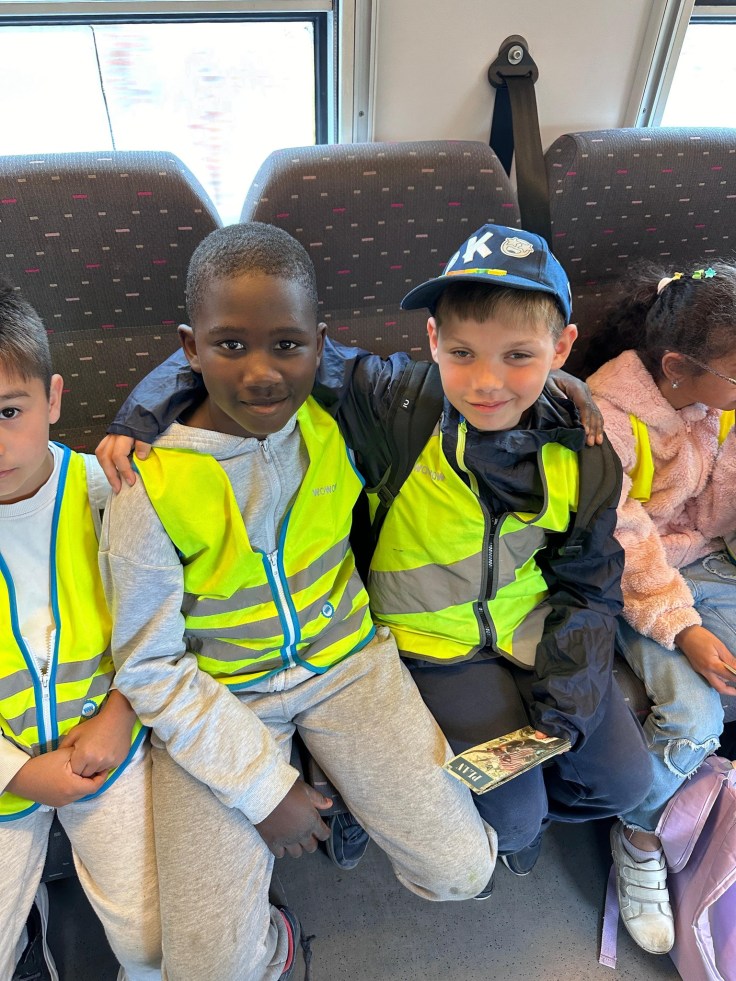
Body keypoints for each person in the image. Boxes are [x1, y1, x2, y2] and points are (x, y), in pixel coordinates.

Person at [97, 222, 652, 893]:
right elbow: (251, 344)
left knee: (625, 781)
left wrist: (567, 702)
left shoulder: (583, 449)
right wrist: (139, 413)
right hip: (428, 644)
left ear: (560, 349)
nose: (486, 382)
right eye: (463, 353)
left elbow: (589, 583)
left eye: (519, 357)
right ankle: (499, 824)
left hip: (529, 627)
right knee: (513, 817)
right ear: (433, 341)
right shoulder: (397, 405)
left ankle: (518, 811)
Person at [97, 222, 498, 981]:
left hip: (349, 666)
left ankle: (338, 780)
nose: (261, 373)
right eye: (230, 345)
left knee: (463, 871)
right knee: (207, 970)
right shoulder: (144, 482)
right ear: (189, 349)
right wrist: (264, 790)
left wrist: (562, 388)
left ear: (320, 345)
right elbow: (149, 668)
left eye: (286, 345)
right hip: (221, 697)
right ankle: (275, 932)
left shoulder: (342, 422)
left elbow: (474, 387)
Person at [0, 286, 161, 980]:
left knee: (153, 943)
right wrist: (17, 772)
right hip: (5, 773)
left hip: (106, 743)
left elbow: (163, 624)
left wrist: (121, 715)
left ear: (54, 398)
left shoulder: (108, 491)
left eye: (8, 411)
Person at [584, 264, 736, 956]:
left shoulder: (718, 403)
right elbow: (622, 542)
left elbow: (718, 510)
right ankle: (640, 834)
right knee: (695, 716)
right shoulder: (607, 419)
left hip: (704, 560)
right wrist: (685, 629)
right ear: (677, 367)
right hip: (634, 588)